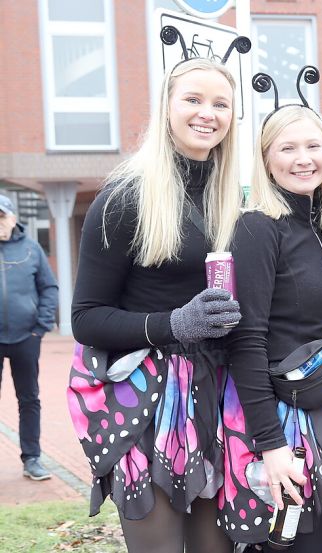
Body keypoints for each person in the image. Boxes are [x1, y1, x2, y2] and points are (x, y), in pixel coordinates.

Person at [67, 55, 243, 552]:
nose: (207, 113)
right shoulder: (126, 196)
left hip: (218, 395)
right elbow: (86, 318)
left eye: (220, 103)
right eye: (192, 99)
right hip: (147, 402)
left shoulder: (234, 195)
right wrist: (176, 324)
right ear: (166, 105)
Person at [0, 194, 58, 481]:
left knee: (29, 399)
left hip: (26, 337)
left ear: (12, 218)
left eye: (2, 216)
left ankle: (32, 459)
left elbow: (49, 288)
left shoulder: (31, 248)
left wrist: (41, 327)